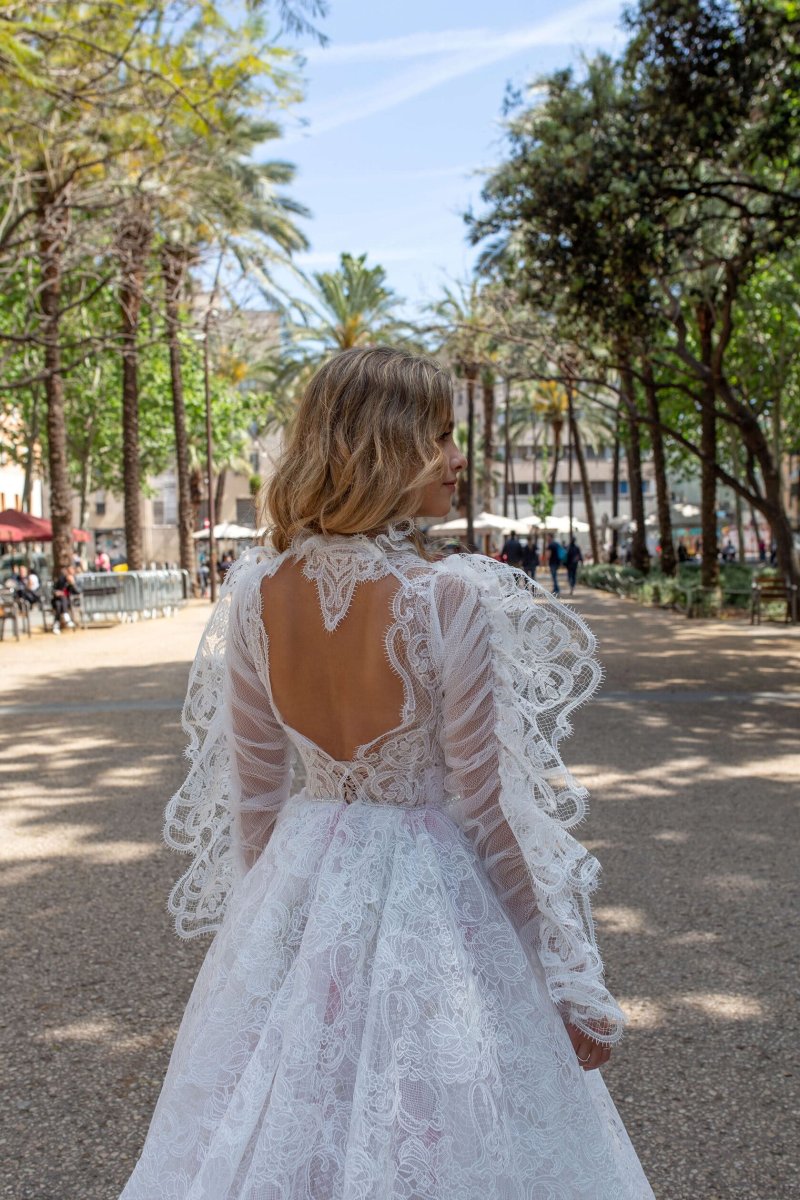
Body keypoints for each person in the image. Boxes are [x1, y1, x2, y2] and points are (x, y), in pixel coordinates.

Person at [119, 347, 654, 1200]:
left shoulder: (255, 594)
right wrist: (564, 973)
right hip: (430, 891)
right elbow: (490, 808)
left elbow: (257, 797)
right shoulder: (448, 598)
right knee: (435, 1121)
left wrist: (269, 939)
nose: (456, 458)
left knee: (295, 1117)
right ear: (381, 446)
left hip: (301, 876)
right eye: (439, 437)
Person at [52, 566, 79, 633]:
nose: (69, 573)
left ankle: (56, 625)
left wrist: (72, 583)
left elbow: (78, 592)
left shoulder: (76, 580)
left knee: (59, 603)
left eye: (71, 571)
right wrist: (56, 592)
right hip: (58, 600)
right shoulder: (61, 579)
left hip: (70, 601)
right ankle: (66, 617)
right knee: (59, 602)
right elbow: (54, 589)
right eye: (68, 571)